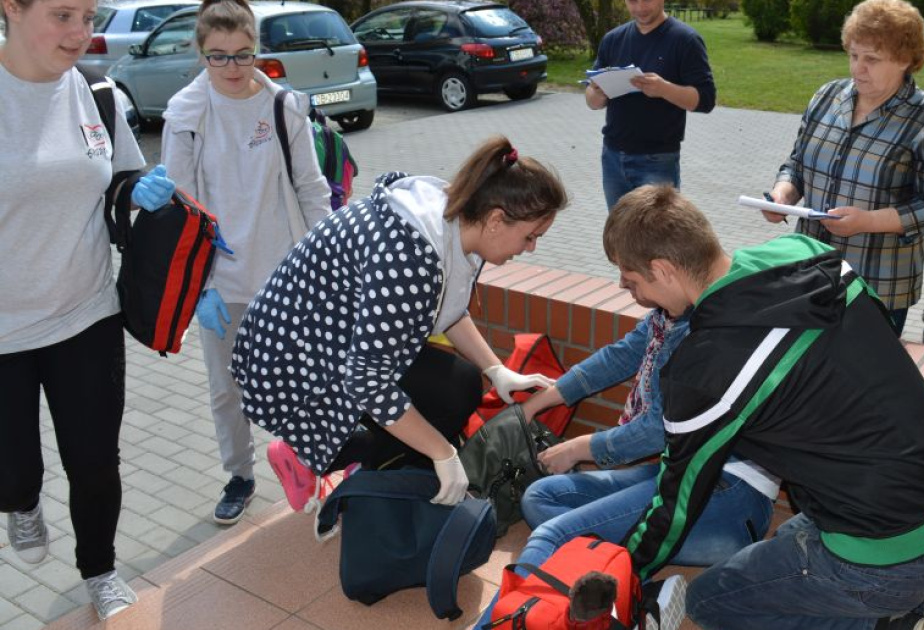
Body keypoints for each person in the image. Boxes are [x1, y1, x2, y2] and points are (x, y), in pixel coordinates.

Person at [606, 185, 924, 630]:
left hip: (889, 554)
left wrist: (624, 574)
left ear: (663, 269)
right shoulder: (807, 252)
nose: (626, 289)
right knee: (794, 534)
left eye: (631, 280)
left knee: (712, 601)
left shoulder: (702, 371)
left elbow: (676, 505)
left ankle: (895, 624)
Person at [230, 136, 568, 511]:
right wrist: (441, 453)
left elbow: (449, 307)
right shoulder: (408, 258)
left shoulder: (451, 221)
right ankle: (313, 456)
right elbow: (366, 379)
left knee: (461, 384)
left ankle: (368, 462)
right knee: (418, 422)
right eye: (530, 236)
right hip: (289, 364)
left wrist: (496, 369)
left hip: (329, 342)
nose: (531, 247)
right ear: (495, 220)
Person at [0, 0, 176, 619]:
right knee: (12, 468)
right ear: (11, 9)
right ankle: (20, 500)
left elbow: (124, 174)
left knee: (96, 462)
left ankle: (98, 569)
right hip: (2, 331)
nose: (81, 33)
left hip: (86, 313)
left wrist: (139, 189)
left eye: (89, 16)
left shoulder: (96, 93)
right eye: (63, 15)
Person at [471, 273, 777, 628]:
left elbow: (657, 430)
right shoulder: (668, 315)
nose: (620, 285)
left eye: (630, 278)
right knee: (541, 497)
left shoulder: (703, 331)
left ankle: (504, 621)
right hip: (682, 472)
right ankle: (632, 597)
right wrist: (535, 404)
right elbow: (617, 357)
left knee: (551, 534)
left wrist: (578, 448)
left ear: (662, 269)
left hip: (727, 495)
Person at [161, 0, 332, 526]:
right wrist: (200, 285)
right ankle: (239, 474)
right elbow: (179, 205)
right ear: (201, 53)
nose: (233, 68)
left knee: (304, 379)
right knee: (226, 388)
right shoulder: (187, 114)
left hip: (287, 276)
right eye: (218, 57)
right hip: (222, 281)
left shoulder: (282, 106)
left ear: (257, 48)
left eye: (243, 54)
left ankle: (312, 464)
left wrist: (327, 255)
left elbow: (310, 186)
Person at [765, 0, 924, 337]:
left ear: (905, 60)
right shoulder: (828, 96)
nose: (858, 69)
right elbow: (797, 162)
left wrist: (867, 221)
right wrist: (783, 193)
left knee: (860, 384)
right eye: (854, 55)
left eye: (871, 59)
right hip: (809, 271)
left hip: (876, 286)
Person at [586, 0, 715, 210]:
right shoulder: (613, 39)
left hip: (658, 160)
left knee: (657, 238)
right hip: (612, 156)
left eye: (647, 0)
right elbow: (591, 100)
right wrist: (598, 93)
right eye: (633, 1)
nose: (640, 8)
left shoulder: (686, 40)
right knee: (619, 236)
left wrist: (664, 89)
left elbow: (706, 100)